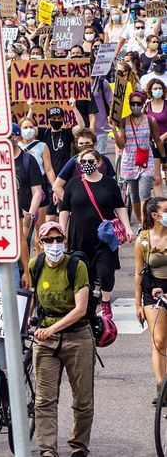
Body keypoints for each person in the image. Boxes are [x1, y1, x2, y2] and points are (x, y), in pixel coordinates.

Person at [29, 222, 95, 457]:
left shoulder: (76, 266)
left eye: (59, 240)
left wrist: (51, 329)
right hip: (46, 341)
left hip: (77, 337)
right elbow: (32, 297)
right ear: (40, 243)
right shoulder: (35, 265)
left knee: (83, 399)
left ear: (65, 242)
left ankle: (79, 446)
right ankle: (48, 450)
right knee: (44, 401)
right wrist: (28, 320)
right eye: (49, 240)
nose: (54, 245)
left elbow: (80, 309)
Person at [59, 148, 134, 319]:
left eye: (91, 161)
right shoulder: (73, 184)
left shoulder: (109, 183)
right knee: (85, 275)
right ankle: (86, 308)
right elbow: (65, 209)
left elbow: (120, 207)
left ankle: (106, 302)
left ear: (99, 163)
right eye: (83, 162)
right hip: (80, 237)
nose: (87, 165)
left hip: (105, 239)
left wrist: (127, 227)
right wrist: (62, 231)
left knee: (106, 272)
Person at [112, 90, 165, 220]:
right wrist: (114, 129)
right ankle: (142, 222)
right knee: (134, 195)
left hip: (146, 161)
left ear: (143, 104)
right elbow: (121, 145)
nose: (135, 106)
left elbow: (157, 140)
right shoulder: (124, 121)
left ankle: (146, 224)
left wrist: (164, 159)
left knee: (144, 194)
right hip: (129, 161)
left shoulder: (150, 120)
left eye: (138, 103)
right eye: (132, 103)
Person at [135, 197, 167, 400]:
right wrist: (137, 304)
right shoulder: (143, 240)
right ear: (155, 215)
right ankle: (161, 386)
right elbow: (139, 272)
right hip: (153, 290)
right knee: (159, 340)